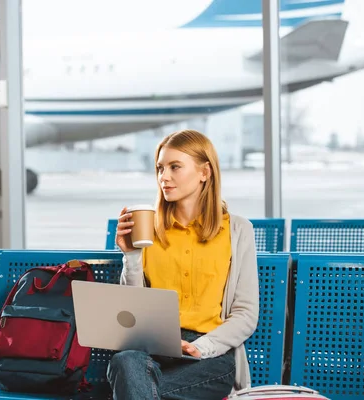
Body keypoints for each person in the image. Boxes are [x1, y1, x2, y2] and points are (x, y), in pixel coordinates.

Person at [109, 129, 259, 400]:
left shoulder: (237, 230)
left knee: (137, 387)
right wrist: (130, 256)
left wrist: (200, 347)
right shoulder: (148, 231)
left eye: (175, 167)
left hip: (209, 355)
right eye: (160, 168)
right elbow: (131, 313)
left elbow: (246, 314)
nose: (163, 177)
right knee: (126, 361)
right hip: (153, 352)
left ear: (205, 172)